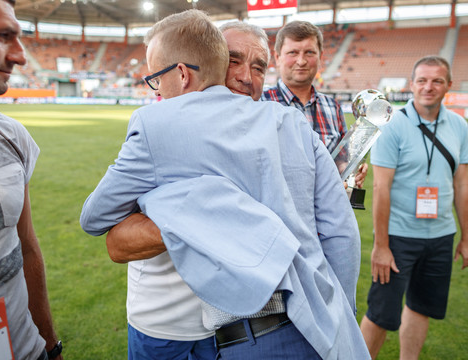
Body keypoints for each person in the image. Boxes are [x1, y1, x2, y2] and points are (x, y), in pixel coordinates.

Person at [80, 10, 369, 360]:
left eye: (260, 67)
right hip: (172, 325)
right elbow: (116, 241)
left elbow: (339, 229)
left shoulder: (285, 126)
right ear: (210, 61)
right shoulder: (161, 126)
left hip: (246, 332)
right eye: (233, 60)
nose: (246, 77)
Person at [360, 55, 468, 359]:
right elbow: (381, 188)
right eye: (422, 80)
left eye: (436, 80)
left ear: (448, 84)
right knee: (381, 315)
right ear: (411, 85)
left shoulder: (459, 125)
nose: (428, 87)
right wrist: (381, 246)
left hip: (440, 237)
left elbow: (462, 185)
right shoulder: (393, 125)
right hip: (398, 238)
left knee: (421, 308)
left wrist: (466, 237)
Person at [0, 1, 63, 359]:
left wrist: (50, 345)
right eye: (4, 36)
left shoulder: (11, 136)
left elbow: (27, 247)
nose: (20, 56)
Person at [262, 20, 367, 187]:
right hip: (275, 210)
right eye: (293, 53)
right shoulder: (260, 102)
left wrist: (349, 170)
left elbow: (341, 159)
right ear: (277, 58)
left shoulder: (333, 107)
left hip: (324, 210)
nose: (301, 61)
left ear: (321, 57)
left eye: (309, 52)